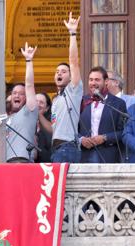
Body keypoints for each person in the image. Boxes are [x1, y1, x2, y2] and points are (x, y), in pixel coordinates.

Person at [50, 12, 82, 163]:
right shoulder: (56, 100)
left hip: (68, 148)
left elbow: (73, 61)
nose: (59, 74)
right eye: (57, 72)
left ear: (70, 76)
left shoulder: (73, 90)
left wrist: (72, 33)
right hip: (55, 149)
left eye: (63, 71)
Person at [79, 66, 127, 163]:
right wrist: (81, 139)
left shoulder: (118, 103)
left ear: (106, 81)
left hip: (108, 154)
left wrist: (105, 138)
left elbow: (123, 132)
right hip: (84, 154)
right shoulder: (82, 101)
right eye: (91, 80)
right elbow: (73, 128)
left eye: (97, 80)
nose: (93, 83)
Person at [5, 43, 39, 163]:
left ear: (26, 98)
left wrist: (29, 60)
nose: (17, 95)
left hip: (22, 161)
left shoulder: (29, 112)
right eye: (14, 93)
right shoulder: (4, 117)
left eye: (21, 93)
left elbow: (29, 85)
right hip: (5, 164)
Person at [35, 92, 53, 163]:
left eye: (41, 102)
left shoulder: (51, 125)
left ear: (47, 108)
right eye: (35, 101)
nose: (37, 104)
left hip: (46, 166)